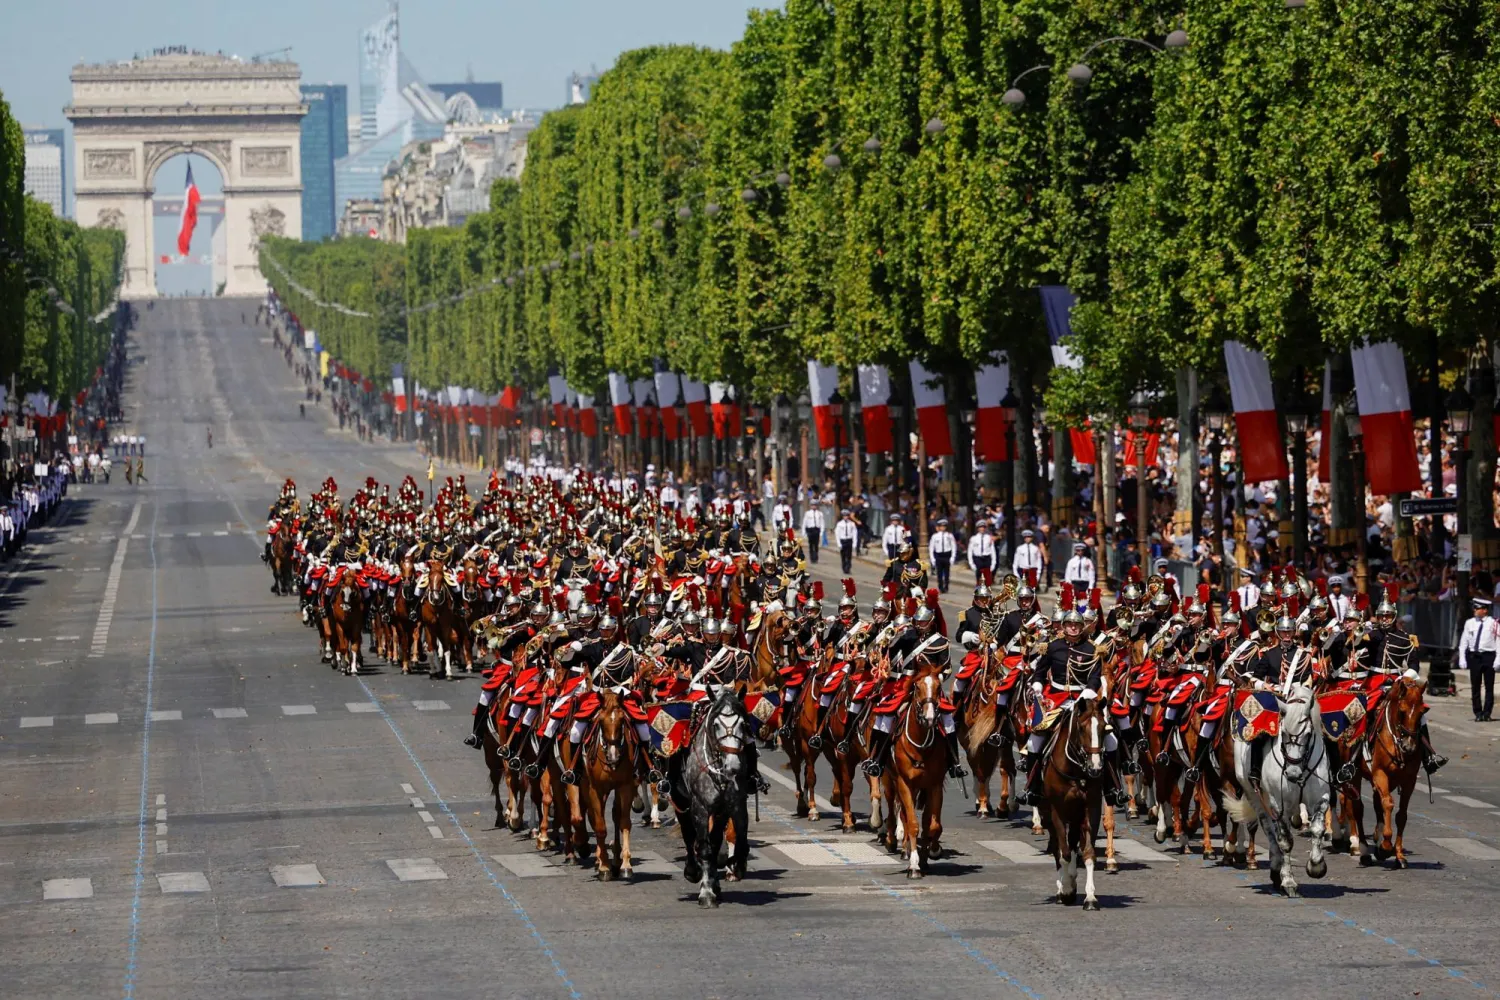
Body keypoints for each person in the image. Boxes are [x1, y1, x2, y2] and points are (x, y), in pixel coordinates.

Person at [1458, 598, 1498, 722]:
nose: (1475, 610)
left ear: (1485, 610)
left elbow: (1499, 642)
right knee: (1475, 685)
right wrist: (1462, 657)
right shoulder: (1470, 622)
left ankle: (1487, 712)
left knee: (1489, 686)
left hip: (1488, 656)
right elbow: (1464, 641)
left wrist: (1498, 659)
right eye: (1474, 608)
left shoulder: (1494, 623)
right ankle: (1478, 712)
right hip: (1474, 656)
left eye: (1477, 608)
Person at [928, 517, 956, 593]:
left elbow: (953, 546)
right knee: (939, 573)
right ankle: (940, 587)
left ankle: (946, 586)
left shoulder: (950, 536)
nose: (943, 528)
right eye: (941, 526)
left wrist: (952, 557)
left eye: (944, 526)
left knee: (947, 573)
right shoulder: (935, 536)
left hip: (947, 555)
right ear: (939, 527)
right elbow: (931, 548)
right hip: (939, 556)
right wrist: (932, 558)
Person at [833, 508, 859, 574]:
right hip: (843, 541)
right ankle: (844, 567)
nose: (845, 517)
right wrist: (839, 544)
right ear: (842, 516)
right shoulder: (839, 524)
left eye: (847, 516)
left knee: (849, 555)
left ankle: (848, 567)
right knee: (843, 555)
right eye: (844, 516)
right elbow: (837, 534)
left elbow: (854, 533)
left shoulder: (852, 524)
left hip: (849, 540)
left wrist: (854, 543)